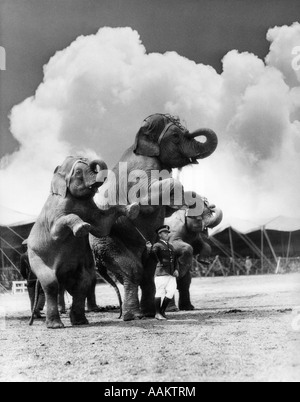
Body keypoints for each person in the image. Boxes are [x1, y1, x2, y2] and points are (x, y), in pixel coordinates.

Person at [151, 225, 179, 320]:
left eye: (167, 233)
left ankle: (162, 311)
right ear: (160, 235)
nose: (167, 234)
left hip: (171, 273)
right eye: (164, 233)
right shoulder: (156, 245)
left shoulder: (171, 246)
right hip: (161, 272)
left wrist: (176, 269)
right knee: (159, 292)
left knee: (171, 292)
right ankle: (157, 313)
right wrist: (149, 249)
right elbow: (153, 258)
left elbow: (175, 259)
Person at [20, 241, 45, 318]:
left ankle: (34, 312)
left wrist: (26, 277)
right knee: (42, 293)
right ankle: (38, 308)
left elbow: (22, 270)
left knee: (32, 296)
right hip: (39, 277)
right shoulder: (39, 254)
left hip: (30, 278)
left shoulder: (23, 256)